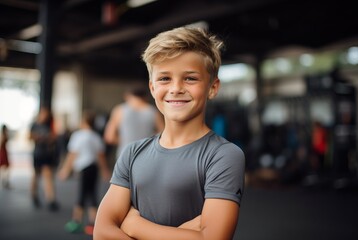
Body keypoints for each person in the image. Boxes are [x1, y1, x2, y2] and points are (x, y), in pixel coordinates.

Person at [94, 26, 246, 240]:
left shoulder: (224, 155)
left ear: (212, 87)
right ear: (152, 87)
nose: (176, 88)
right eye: (165, 78)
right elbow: (102, 233)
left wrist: (134, 225)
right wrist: (183, 234)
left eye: (190, 78)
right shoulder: (132, 153)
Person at [58, 110, 111, 235]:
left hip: (83, 168)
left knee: (81, 194)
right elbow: (101, 156)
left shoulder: (78, 135)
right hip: (93, 168)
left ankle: (76, 222)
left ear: (84, 122)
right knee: (92, 194)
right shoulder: (96, 136)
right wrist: (105, 170)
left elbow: (72, 154)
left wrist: (65, 170)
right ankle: (92, 224)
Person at [103, 85, 164, 158]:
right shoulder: (153, 111)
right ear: (146, 97)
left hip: (125, 155)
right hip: (147, 154)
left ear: (127, 96)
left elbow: (109, 137)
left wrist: (126, 140)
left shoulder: (119, 110)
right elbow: (163, 135)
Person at [29, 106, 59, 211]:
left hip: (47, 154)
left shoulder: (50, 125)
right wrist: (39, 137)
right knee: (36, 176)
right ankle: (34, 194)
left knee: (48, 176)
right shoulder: (35, 125)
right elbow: (29, 137)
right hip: (38, 154)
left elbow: (55, 137)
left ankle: (50, 199)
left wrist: (49, 138)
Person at [0, 124, 11, 189]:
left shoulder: (4, 135)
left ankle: (5, 181)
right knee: (5, 167)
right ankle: (5, 181)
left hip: (4, 152)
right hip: (3, 152)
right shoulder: (3, 135)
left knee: (5, 167)